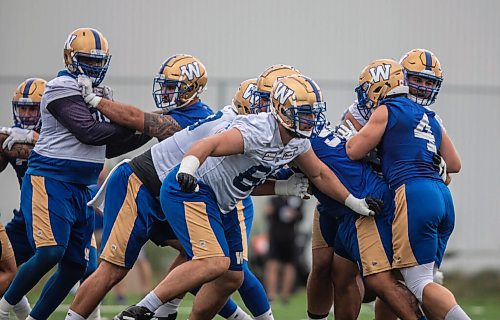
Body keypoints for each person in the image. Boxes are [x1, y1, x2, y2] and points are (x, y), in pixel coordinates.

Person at [115, 74, 382, 320]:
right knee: (213, 262)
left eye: (313, 114)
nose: (310, 121)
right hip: (194, 189)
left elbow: (321, 174)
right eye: (304, 114)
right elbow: (209, 144)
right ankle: (142, 310)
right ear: (282, 110)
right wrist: (188, 168)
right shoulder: (258, 129)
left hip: (224, 201)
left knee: (232, 275)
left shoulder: (298, 142)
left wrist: (352, 201)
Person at [0, 27, 151, 320]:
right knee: (49, 253)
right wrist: (138, 122)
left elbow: (105, 144)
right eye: (87, 60)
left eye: (98, 62)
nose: (93, 67)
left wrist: (144, 127)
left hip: (81, 189)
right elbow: (90, 131)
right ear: (70, 58)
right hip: (49, 184)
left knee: (79, 266)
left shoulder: (95, 94)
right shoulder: (61, 87)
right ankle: (6, 309)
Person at [66, 54, 213, 320]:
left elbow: (139, 119)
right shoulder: (184, 114)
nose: (166, 92)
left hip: (157, 194)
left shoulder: (196, 118)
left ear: (192, 89)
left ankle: (163, 310)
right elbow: (136, 121)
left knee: (203, 253)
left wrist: (96, 101)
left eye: (172, 86)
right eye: (165, 85)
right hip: (136, 187)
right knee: (114, 269)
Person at [345, 59, 470, 320]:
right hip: (442, 196)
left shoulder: (386, 109)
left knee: (418, 283)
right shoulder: (432, 117)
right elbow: (455, 164)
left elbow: (354, 151)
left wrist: (349, 139)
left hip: (413, 195)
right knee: (413, 280)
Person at [264, 196, 303, 304]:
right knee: (272, 265)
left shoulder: (297, 200)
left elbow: (300, 217)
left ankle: (285, 295)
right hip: (275, 237)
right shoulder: (275, 200)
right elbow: (267, 214)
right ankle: (271, 295)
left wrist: (295, 214)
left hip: (290, 237)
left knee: (289, 266)